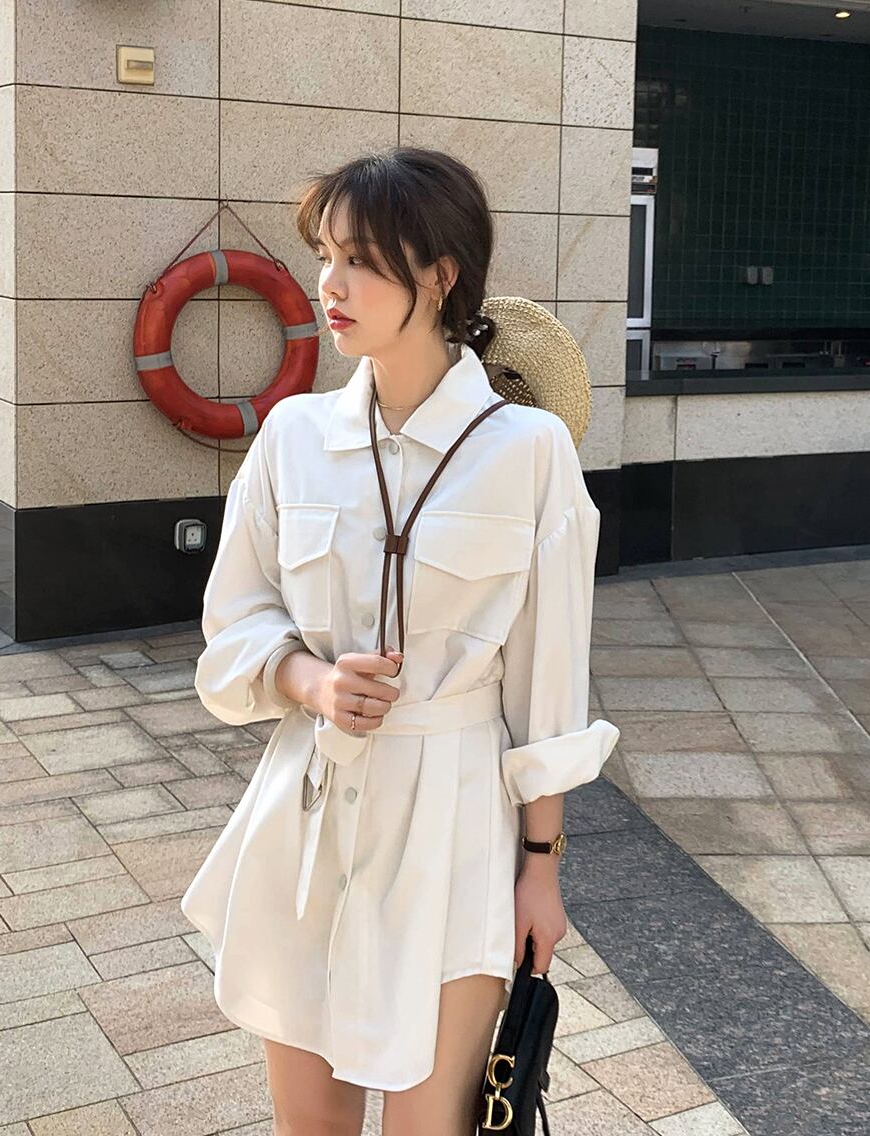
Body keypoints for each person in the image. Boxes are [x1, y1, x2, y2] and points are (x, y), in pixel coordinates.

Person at [180, 146, 620, 1136]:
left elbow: (547, 689)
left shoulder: (529, 451)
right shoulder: (293, 437)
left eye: (362, 261)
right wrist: (307, 679)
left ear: (439, 275)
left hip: (453, 832)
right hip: (308, 817)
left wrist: (540, 870)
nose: (330, 286)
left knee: (432, 1124)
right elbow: (231, 628)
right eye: (325, 257)